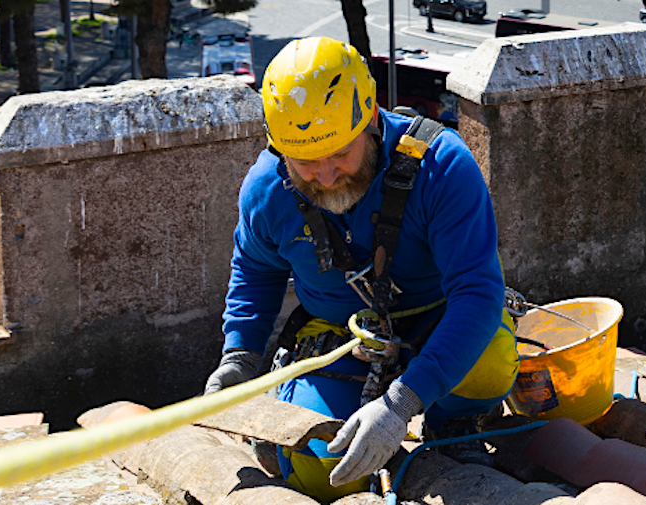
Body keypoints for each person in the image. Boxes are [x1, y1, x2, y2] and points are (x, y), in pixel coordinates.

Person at [204, 37, 519, 503]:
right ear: (278, 149)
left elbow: (477, 294)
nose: (326, 177)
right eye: (306, 163)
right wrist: (240, 358)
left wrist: (400, 405)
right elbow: (255, 270)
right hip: (339, 338)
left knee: (491, 358)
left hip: (437, 322)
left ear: (370, 119)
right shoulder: (266, 191)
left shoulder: (442, 166)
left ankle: (452, 420)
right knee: (322, 466)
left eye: (340, 154)